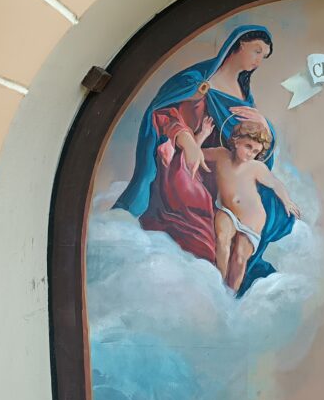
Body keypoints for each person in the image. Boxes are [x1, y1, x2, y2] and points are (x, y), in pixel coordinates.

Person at [113, 25, 296, 295]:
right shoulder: (198, 80)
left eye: (264, 56)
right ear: (237, 45)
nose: (258, 61)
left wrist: (264, 125)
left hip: (225, 173)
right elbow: (163, 111)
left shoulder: (243, 92)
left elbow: (254, 144)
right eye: (256, 51)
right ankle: (213, 286)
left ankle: (225, 290)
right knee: (202, 214)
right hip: (194, 163)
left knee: (268, 211)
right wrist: (188, 140)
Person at [199, 121, 302, 291]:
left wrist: (287, 201)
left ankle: (229, 294)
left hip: (252, 219)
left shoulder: (256, 167)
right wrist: (203, 134)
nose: (250, 154)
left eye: (255, 151)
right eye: (248, 147)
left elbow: (275, 184)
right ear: (236, 141)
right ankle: (218, 285)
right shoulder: (220, 155)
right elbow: (195, 153)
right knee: (222, 240)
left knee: (239, 258)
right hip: (227, 210)